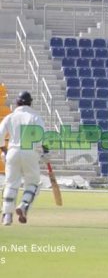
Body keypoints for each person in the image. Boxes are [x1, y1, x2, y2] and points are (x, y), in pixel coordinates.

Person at [0, 91, 49, 226]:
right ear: (30, 103)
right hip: (29, 153)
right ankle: (23, 206)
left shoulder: (10, 117)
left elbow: (0, 136)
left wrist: (4, 152)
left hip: (13, 152)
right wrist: (46, 152)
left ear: (17, 102)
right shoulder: (35, 117)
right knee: (33, 184)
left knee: (10, 184)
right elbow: (43, 137)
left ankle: (7, 217)